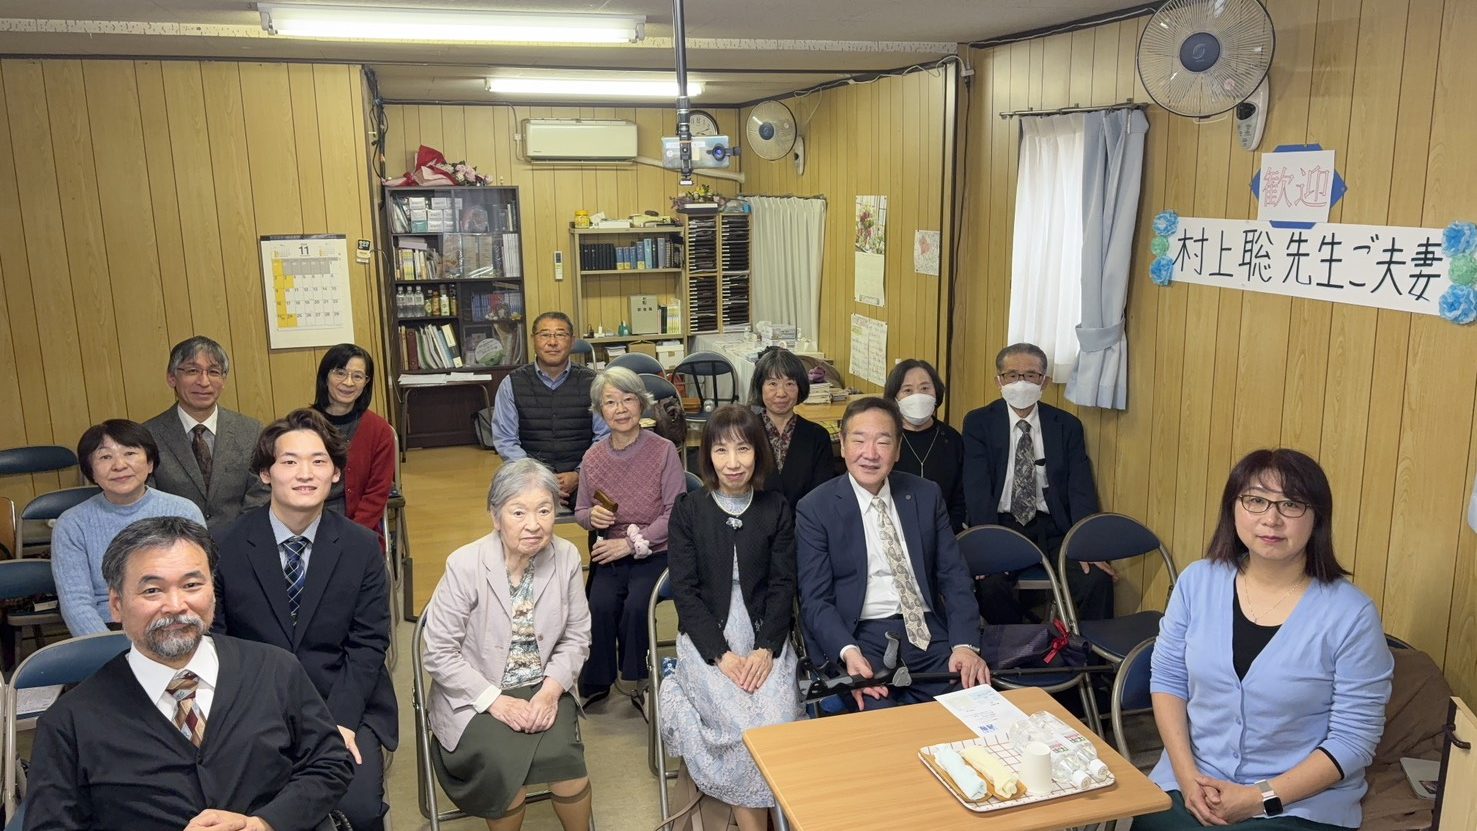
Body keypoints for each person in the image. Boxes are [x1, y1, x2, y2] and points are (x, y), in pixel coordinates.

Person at [26, 516, 353, 830]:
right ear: (116, 604)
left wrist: (264, 823)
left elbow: (330, 762)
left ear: (213, 592)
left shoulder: (276, 669)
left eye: (192, 585)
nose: (176, 605)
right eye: (152, 590)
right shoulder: (68, 723)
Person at [1135, 449, 1393, 831]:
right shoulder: (1196, 582)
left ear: (1317, 517)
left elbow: (1354, 740)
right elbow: (1169, 680)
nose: (1271, 519)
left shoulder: (1351, 614)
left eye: (1291, 504)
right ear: (1233, 508)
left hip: (1298, 803)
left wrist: (1258, 799)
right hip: (1192, 780)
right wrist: (1188, 779)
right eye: (1255, 500)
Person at [213, 408, 396, 830]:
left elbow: (368, 645)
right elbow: (218, 642)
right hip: (253, 708)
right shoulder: (227, 544)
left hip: (342, 701)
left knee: (359, 810)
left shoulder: (361, 547)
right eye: (290, 461)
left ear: (336, 473)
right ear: (266, 473)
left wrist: (339, 722)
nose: (305, 474)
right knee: (245, 804)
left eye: (318, 461)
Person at [421, 458, 594, 830]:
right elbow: (438, 653)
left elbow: (577, 636)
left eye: (544, 510)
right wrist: (495, 701)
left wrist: (550, 693)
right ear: (495, 516)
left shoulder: (566, 556)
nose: (533, 524)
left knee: (566, 762)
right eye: (518, 512)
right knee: (504, 769)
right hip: (476, 692)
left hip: (544, 684)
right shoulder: (465, 565)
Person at [795, 397, 989, 709]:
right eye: (859, 440)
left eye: (883, 442)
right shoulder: (815, 508)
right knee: (881, 720)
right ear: (842, 445)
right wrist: (847, 652)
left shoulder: (926, 495)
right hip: (861, 637)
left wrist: (965, 645)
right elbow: (815, 600)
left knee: (975, 708)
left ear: (897, 449)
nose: (870, 453)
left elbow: (954, 576)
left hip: (930, 633)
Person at [660, 406, 802, 829]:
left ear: (758, 452)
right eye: (721, 450)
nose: (733, 462)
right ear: (708, 455)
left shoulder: (776, 508)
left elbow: (783, 585)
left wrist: (765, 650)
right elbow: (685, 593)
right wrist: (721, 656)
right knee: (741, 729)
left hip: (765, 634)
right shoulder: (689, 510)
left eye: (743, 449)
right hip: (708, 638)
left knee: (776, 723)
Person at [961, 343, 1114, 623]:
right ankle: (1021, 644)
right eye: (1012, 375)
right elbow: (977, 489)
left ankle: (1092, 652)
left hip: (1054, 528)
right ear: (999, 381)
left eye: (1031, 375)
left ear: (1044, 381)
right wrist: (985, 545)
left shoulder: (1066, 425)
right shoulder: (979, 423)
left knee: (1096, 579)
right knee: (989, 586)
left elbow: (1080, 490)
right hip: (1001, 526)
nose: (1021, 382)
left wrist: (1087, 544)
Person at [574, 367, 685, 702]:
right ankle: (598, 680)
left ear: (642, 403)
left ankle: (639, 677)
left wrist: (630, 544)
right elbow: (580, 512)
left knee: (638, 605)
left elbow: (675, 513)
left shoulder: (664, 450)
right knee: (599, 605)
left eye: (628, 399)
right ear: (599, 410)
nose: (620, 409)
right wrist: (592, 516)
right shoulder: (592, 457)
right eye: (610, 402)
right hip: (611, 551)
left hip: (657, 549)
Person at [52, 419, 205, 636]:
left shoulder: (184, 511)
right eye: (105, 457)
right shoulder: (72, 524)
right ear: (90, 471)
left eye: (130, 453)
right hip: (109, 629)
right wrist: (106, 648)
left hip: (176, 621)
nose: (119, 465)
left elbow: (199, 586)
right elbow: (76, 603)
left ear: (150, 463)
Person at [143, 335, 268, 530]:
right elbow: (146, 500)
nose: (203, 381)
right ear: (172, 378)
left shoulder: (251, 431)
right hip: (174, 541)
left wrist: (239, 537)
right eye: (192, 371)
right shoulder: (148, 435)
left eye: (213, 372)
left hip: (241, 539)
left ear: (223, 380)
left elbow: (261, 494)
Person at [491, 311, 610, 505]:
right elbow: (506, 440)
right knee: (511, 507)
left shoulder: (594, 383)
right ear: (533, 340)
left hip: (584, 476)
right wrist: (537, 478)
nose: (552, 342)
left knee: (610, 509)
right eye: (545, 334)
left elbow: (604, 437)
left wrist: (579, 473)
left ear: (572, 341)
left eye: (560, 335)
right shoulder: (511, 383)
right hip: (528, 478)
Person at [311, 343, 396, 543]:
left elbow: (377, 493)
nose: (348, 382)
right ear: (325, 376)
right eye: (340, 373)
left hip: (358, 525)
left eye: (357, 376)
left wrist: (353, 535)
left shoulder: (379, 430)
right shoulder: (302, 425)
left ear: (366, 382)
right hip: (308, 521)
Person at [885, 359, 966, 532]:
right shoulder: (885, 439)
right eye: (907, 390)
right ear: (895, 398)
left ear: (936, 393)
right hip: (891, 531)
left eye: (925, 388)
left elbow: (960, 498)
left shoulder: (952, 439)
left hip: (945, 531)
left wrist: (945, 533)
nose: (917, 396)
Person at [751, 347, 835, 508]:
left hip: (804, 520)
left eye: (789, 383)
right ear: (760, 387)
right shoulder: (745, 433)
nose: (781, 393)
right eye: (772, 383)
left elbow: (822, 494)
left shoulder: (817, 436)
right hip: (755, 521)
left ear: (800, 387)